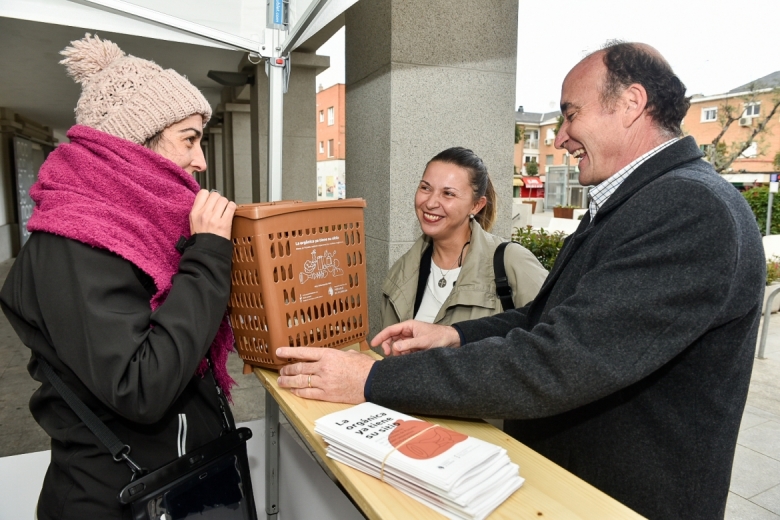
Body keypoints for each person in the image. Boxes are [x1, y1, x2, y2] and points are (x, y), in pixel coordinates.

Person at [276, 41, 765, 519]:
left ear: (631, 103)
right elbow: (545, 317)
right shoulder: (635, 201)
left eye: (570, 114)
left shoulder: (689, 207)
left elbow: (559, 360)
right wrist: (453, 335)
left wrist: (371, 378)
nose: (560, 137)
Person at [0, 35, 238, 519]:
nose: (201, 161)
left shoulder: (132, 227)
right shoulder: (76, 240)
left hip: (171, 481)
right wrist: (208, 256)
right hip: (116, 500)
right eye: (189, 139)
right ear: (135, 142)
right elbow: (141, 386)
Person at [381, 147, 546, 328]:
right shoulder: (402, 272)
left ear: (476, 205)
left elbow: (554, 333)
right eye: (425, 188)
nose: (430, 203)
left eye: (448, 193)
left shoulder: (511, 262)